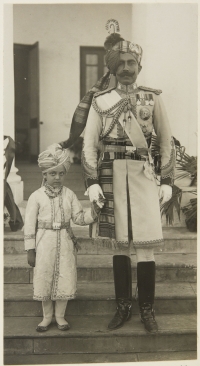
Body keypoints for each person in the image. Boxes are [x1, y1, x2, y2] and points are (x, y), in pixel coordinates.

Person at [80, 19, 176, 333]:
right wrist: (92, 182)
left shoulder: (152, 98)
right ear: (111, 67)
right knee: (121, 246)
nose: (126, 68)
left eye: (131, 63)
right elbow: (89, 145)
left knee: (145, 247)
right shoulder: (100, 101)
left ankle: (147, 309)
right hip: (112, 180)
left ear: (139, 66)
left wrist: (167, 181)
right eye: (119, 63)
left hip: (146, 178)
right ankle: (123, 307)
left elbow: (165, 141)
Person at [24, 143, 101, 332]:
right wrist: (30, 249)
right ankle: (46, 317)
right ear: (44, 175)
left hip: (65, 243)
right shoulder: (36, 197)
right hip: (44, 243)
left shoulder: (70, 195)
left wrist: (94, 213)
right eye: (52, 174)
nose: (57, 178)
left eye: (60, 174)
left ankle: (60, 316)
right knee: (44, 277)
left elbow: (79, 218)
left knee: (64, 276)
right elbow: (29, 224)